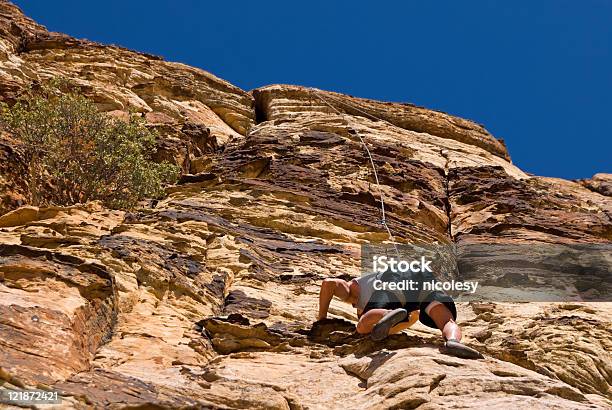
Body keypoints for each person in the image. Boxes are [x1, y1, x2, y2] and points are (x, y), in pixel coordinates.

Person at [317, 271, 483, 359]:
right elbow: (401, 321)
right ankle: (453, 341)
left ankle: (388, 313)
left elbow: (328, 283)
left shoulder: (355, 287)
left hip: (394, 283)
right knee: (447, 320)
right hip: (423, 279)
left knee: (362, 326)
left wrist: (321, 320)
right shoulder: (365, 298)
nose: (354, 305)